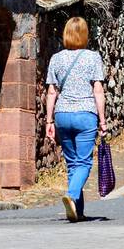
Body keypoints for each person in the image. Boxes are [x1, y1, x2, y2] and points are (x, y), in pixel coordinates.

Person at [45, 16, 107, 222]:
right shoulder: (93, 57)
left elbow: (51, 92)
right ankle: (71, 195)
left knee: (72, 163)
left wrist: (49, 122)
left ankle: (77, 211)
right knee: (84, 163)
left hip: (62, 115)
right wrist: (103, 120)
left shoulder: (56, 58)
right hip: (85, 115)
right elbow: (98, 91)